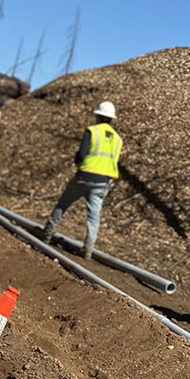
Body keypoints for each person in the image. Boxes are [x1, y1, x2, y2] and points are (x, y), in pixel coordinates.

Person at [40, 101, 123, 260]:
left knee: (63, 204)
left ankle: (47, 234)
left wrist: (78, 164)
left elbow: (81, 154)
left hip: (84, 176)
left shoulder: (92, 131)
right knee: (94, 216)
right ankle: (88, 250)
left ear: (98, 116)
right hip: (103, 181)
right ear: (111, 119)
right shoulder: (118, 139)